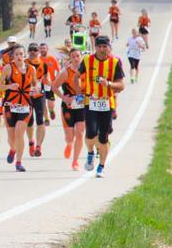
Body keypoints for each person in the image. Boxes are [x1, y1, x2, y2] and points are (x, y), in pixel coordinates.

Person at [80, 36, 125, 178]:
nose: (101, 49)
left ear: (109, 48)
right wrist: (80, 92)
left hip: (107, 104)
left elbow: (121, 85)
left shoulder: (115, 62)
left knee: (104, 137)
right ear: (95, 47)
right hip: (90, 102)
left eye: (104, 46)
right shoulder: (87, 60)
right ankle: (91, 153)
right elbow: (78, 77)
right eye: (99, 46)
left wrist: (109, 85)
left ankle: (101, 166)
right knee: (91, 133)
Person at [51, 48, 86, 170]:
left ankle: (75, 161)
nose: (76, 59)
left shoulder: (86, 71)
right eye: (73, 56)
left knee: (80, 133)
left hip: (82, 106)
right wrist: (63, 97)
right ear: (70, 58)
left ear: (81, 56)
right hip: (69, 107)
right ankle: (69, 144)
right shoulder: (66, 72)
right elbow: (54, 87)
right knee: (69, 136)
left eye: (78, 56)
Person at [2, 45, 35, 172]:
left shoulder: (31, 69)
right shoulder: (7, 68)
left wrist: (34, 89)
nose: (19, 57)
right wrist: (9, 87)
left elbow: (35, 84)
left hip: (25, 106)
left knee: (19, 133)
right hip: (10, 106)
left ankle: (19, 162)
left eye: (21, 54)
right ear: (13, 57)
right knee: (11, 138)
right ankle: (13, 149)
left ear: (25, 55)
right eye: (16, 54)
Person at [24, 44, 49, 157]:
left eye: (35, 50)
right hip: (26, 95)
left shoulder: (43, 65)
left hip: (39, 94)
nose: (33, 52)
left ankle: (39, 146)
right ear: (28, 51)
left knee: (40, 120)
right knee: (29, 121)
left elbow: (47, 78)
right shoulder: (24, 63)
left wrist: (49, 83)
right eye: (31, 50)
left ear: (38, 51)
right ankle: (31, 142)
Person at [39, 43, 61, 124]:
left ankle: (51, 111)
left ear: (47, 49)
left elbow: (58, 70)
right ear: (39, 50)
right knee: (43, 102)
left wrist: (56, 81)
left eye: (44, 48)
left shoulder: (52, 58)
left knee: (50, 104)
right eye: (41, 48)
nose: (42, 50)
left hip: (50, 84)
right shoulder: (38, 60)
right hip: (41, 85)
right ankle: (46, 119)